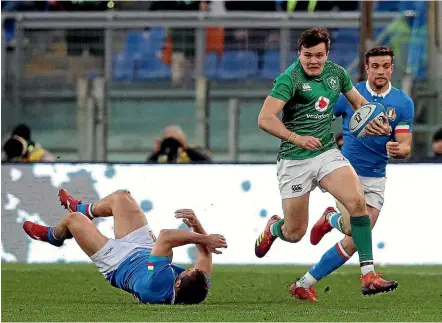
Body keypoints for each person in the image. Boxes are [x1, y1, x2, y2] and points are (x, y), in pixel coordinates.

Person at [254, 28, 397, 299]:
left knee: (357, 204)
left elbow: (359, 103)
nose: (313, 61)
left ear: (326, 54)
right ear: (300, 53)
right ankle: (275, 227)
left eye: (318, 55)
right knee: (295, 232)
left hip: (327, 153)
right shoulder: (289, 79)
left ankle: (368, 274)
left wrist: (374, 119)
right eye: (308, 55)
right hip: (295, 159)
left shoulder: (337, 74)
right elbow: (265, 118)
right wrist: (296, 137)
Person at [294, 45, 414, 301]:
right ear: (367, 69)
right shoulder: (351, 94)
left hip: (377, 176)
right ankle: (368, 276)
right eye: (375, 66)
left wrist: (398, 149)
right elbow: (322, 116)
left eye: (385, 66)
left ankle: (304, 282)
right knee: (358, 228)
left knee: (354, 239)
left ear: (392, 68)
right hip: (345, 172)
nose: (380, 71)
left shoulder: (403, 103)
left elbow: (405, 145)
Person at [23, 189, 227, 304]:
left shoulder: (157, 284)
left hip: (116, 262)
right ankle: (82, 207)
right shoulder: (195, 289)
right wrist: (198, 226)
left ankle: (53, 236)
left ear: (178, 284)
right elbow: (205, 256)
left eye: (186, 272)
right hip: (145, 249)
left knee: (74, 221)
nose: (187, 269)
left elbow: (166, 237)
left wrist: (205, 238)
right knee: (122, 197)